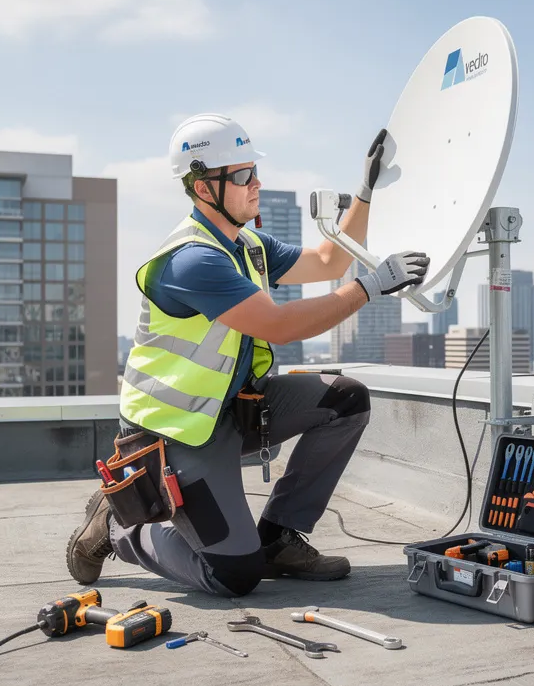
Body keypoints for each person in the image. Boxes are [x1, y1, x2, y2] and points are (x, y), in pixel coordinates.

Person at [66, 113, 429, 597]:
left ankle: (279, 537)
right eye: (241, 175)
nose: (256, 183)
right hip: (175, 437)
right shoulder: (193, 261)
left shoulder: (248, 245)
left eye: (254, 171)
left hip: (230, 413)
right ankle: (118, 524)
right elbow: (280, 325)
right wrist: (370, 287)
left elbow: (329, 261)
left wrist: (365, 191)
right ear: (201, 186)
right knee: (233, 575)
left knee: (345, 399)